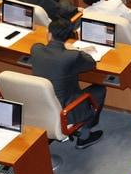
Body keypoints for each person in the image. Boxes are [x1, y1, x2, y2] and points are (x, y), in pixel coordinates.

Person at [30, 17, 105, 148]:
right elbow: (91, 63)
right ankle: (85, 136)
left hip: (38, 105)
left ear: (49, 34)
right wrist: (75, 50)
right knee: (99, 90)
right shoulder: (71, 56)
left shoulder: (36, 49)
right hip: (65, 111)